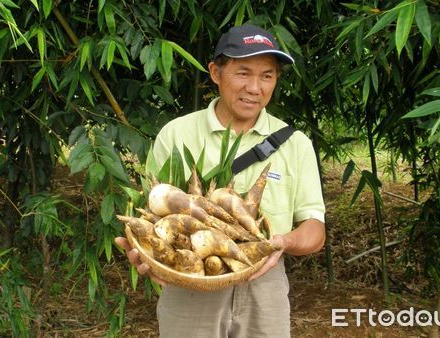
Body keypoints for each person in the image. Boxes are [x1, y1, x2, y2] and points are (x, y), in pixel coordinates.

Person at [115, 24, 325, 338]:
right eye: (243, 72)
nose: (255, 87)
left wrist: (280, 242)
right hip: (189, 279)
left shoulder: (295, 144)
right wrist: (146, 253)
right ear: (215, 72)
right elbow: (149, 213)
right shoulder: (177, 134)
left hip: (264, 284)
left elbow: (315, 230)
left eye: (267, 75)